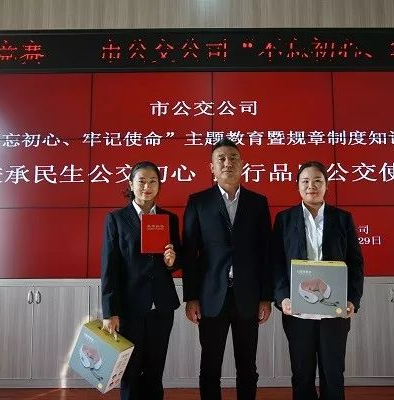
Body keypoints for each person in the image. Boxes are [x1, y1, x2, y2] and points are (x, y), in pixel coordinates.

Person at [182, 138, 273, 400]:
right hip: (211, 297)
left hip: (248, 296)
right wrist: (191, 297)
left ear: (242, 164)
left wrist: (266, 297)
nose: (227, 163)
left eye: (233, 158)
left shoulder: (257, 202)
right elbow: (189, 253)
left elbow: (266, 253)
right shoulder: (198, 202)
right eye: (220, 158)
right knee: (210, 366)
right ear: (211, 167)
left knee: (248, 366)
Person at [272, 161, 364, 400]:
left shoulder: (342, 219)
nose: (311, 186)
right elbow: (276, 263)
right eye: (305, 181)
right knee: (302, 374)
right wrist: (282, 297)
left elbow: (355, 264)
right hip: (298, 311)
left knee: (333, 373)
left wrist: (352, 299)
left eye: (317, 181)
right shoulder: (284, 219)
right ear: (297, 186)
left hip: (334, 309)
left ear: (326, 185)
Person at [101, 161, 181, 400]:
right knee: (130, 372)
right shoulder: (116, 219)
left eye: (153, 181)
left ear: (159, 185)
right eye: (142, 181)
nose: (147, 186)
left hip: (162, 307)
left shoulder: (169, 218)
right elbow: (109, 268)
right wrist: (110, 312)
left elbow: (176, 259)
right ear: (131, 184)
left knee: (155, 371)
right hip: (130, 308)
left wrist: (172, 261)